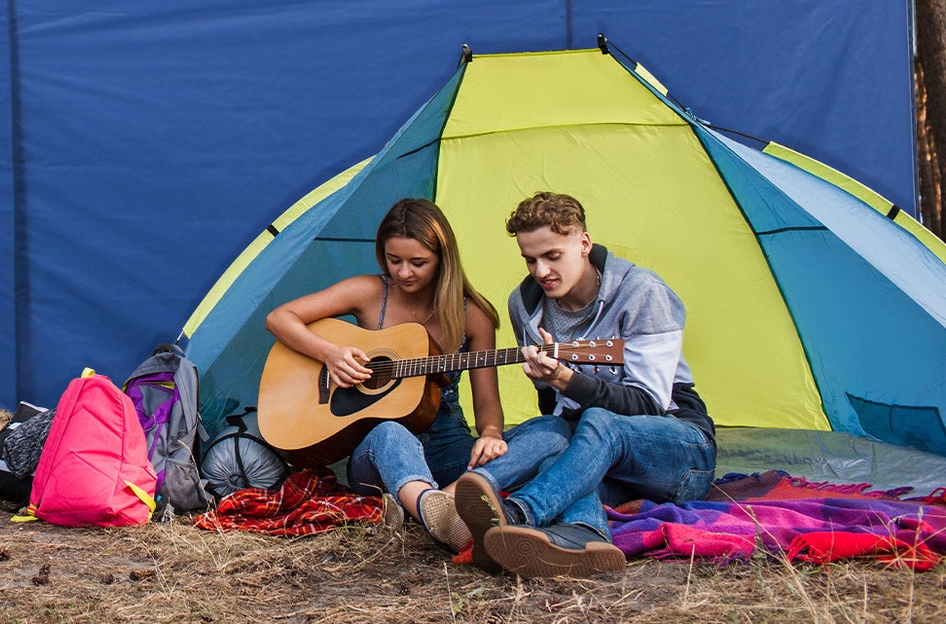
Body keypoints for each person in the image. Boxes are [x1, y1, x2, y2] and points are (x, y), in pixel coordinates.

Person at [453, 192, 716, 579]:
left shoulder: (643, 292)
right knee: (554, 447)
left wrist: (565, 378)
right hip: (607, 462)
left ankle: (517, 513)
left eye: (552, 256)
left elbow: (647, 406)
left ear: (584, 244)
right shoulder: (525, 304)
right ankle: (586, 537)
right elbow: (558, 412)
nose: (541, 271)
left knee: (597, 421)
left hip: (680, 448)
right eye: (530, 259)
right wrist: (548, 384)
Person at [265, 197, 506, 552]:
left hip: (446, 445)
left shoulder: (472, 315)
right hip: (378, 452)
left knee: (549, 434)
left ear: (443, 259)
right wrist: (330, 354)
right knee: (390, 432)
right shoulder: (369, 292)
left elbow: (488, 403)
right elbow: (280, 318)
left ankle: (429, 503)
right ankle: (433, 508)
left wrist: (491, 434)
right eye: (395, 261)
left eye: (418, 263)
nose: (404, 272)